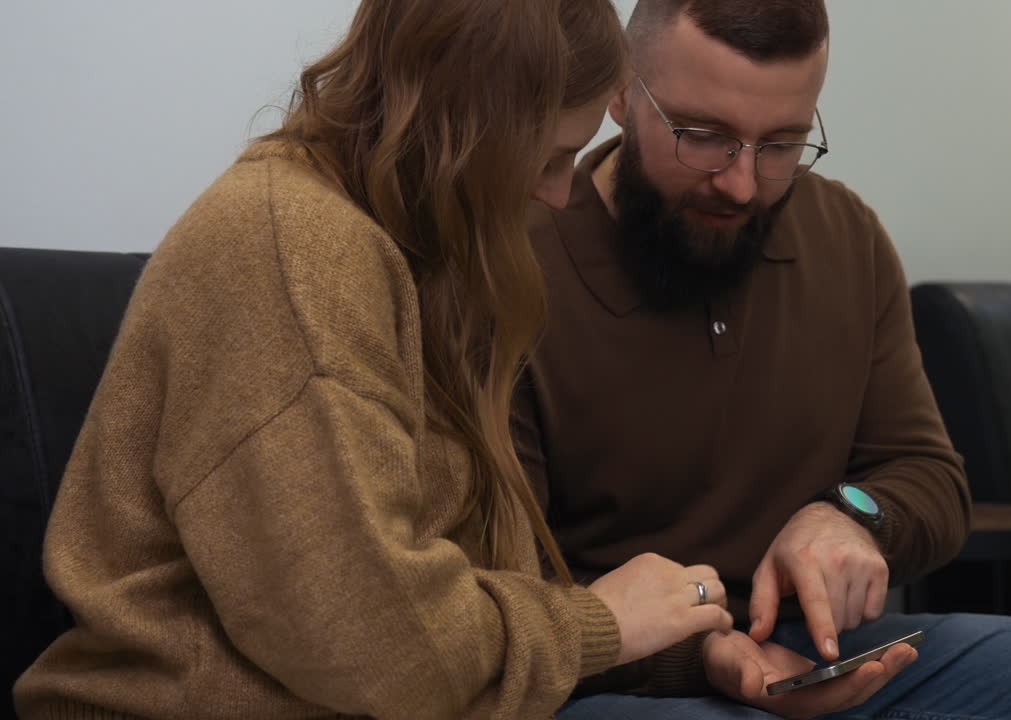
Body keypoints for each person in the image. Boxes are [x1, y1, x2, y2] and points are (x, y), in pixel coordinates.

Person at [514, 1, 1011, 718]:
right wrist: (699, 652)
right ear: (618, 93)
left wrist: (851, 517)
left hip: (822, 651)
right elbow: (506, 591)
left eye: (781, 144)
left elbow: (930, 479)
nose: (741, 183)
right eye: (702, 136)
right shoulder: (514, 258)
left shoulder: (846, 236)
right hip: (628, 671)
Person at [13, 2, 738, 719]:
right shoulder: (294, 254)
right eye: (547, 159)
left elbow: (454, 602)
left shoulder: (418, 250)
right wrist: (597, 628)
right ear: (461, 129)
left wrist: (680, 654)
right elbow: (385, 648)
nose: (557, 192)